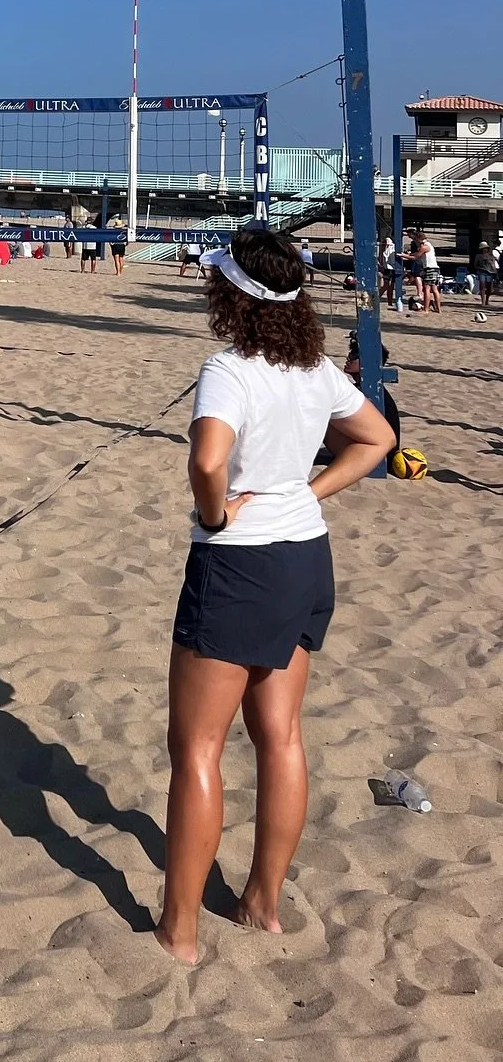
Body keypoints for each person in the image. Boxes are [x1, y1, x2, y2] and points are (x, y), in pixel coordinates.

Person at [154, 229, 393, 966]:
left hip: (241, 567)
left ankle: (181, 931)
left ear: (235, 296)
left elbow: (208, 459)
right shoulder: (314, 367)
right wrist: (307, 490)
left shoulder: (229, 367)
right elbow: (377, 437)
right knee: (281, 737)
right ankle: (263, 904)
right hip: (304, 560)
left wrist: (217, 512)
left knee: (196, 748)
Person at [342, 330, 402, 450]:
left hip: (378, 453)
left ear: (368, 361)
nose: (348, 358)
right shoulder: (371, 389)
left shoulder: (367, 392)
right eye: (350, 353)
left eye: (354, 355)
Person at [473, 238, 496, 322]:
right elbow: (475, 265)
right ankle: (483, 302)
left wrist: (494, 271)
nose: (485, 250)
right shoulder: (478, 256)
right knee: (482, 286)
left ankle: (487, 301)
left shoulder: (491, 256)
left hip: (490, 272)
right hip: (482, 271)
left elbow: (493, 266)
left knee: (489, 288)